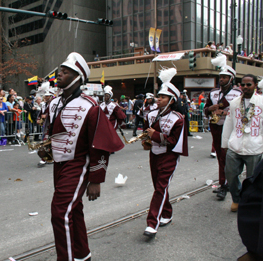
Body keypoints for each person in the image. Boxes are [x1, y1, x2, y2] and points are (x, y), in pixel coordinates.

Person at [45, 52, 124, 260]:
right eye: (59, 70)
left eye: (65, 71)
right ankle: (82, 255)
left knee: (60, 213)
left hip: (79, 163)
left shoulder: (90, 106)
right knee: (74, 210)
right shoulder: (53, 103)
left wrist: (95, 179)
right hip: (59, 165)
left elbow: (100, 146)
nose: (58, 74)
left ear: (78, 76)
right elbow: (52, 132)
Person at [142, 67, 188, 238]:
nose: (158, 99)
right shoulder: (151, 114)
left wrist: (156, 136)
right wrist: (146, 141)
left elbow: (174, 142)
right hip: (154, 154)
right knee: (159, 187)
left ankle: (152, 223)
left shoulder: (178, 118)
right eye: (158, 96)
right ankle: (167, 213)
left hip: (169, 156)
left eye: (162, 97)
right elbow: (147, 133)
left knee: (161, 187)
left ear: (171, 100)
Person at [222, 74, 263, 212]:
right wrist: (225, 145)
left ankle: (250, 203)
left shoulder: (262, 102)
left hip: (255, 147)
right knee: (231, 175)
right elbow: (228, 124)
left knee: (253, 179)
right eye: (243, 84)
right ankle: (237, 199)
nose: (245, 87)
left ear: (255, 85)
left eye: (248, 84)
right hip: (235, 145)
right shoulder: (234, 103)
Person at [205, 54, 242, 200]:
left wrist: (226, 112)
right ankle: (224, 183)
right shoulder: (213, 92)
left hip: (231, 129)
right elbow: (205, 109)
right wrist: (210, 109)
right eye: (220, 77)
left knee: (228, 157)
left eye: (225, 77)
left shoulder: (238, 93)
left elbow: (241, 110)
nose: (221, 79)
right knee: (221, 157)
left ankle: (227, 184)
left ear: (231, 79)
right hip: (216, 128)